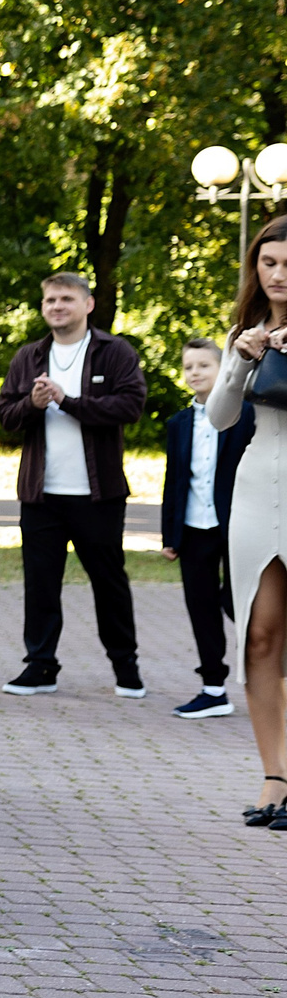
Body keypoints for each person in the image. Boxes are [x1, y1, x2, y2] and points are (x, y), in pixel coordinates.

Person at [0, 272, 148, 696]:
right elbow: (5, 415)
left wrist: (68, 401)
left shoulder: (114, 352)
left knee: (109, 582)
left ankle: (126, 667)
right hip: (41, 495)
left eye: (65, 299)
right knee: (40, 584)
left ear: (88, 304)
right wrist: (33, 403)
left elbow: (131, 405)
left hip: (98, 495)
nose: (56, 306)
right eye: (49, 300)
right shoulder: (29, 356)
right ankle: (40, 666)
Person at [210, 216, 287, 827]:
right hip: (258, 490)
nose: (279, 274)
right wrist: (237, 360)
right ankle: (273, 779)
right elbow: (218, 418)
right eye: (268, 263)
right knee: (260, 636)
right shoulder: (247, 330)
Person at [163, 337, 249, 719]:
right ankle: (213, 688)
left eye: (204, 365)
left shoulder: (247, 414)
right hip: (194, 526)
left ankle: (270, 676)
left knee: (238, 603)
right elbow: (174, 480)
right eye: (188, 367)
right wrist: (170, 536)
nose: (195, 372)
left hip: (238, 526)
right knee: (200, 606)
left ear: (223, 369)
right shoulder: (179, 423)